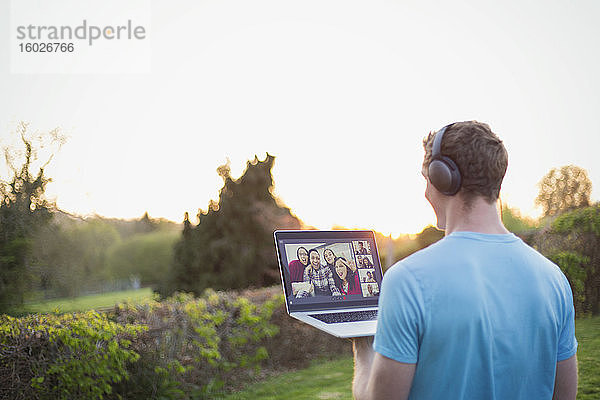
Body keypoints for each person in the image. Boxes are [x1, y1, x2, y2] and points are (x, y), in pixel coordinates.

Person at [352, 121, 578, 400]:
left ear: (443, 177)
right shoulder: (554, 279)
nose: (425, 192)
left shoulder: (407, 280)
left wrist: (363, 349)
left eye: (426, 179)